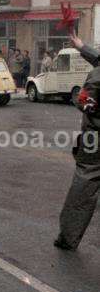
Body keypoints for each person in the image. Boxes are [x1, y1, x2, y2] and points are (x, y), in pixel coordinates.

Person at [55, 31, 100, 250]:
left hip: (95, 139)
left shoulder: (97, 76)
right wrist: (82, 47)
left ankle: (68, 237)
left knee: (83, 187)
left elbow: (87, 104)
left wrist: (77, 99)